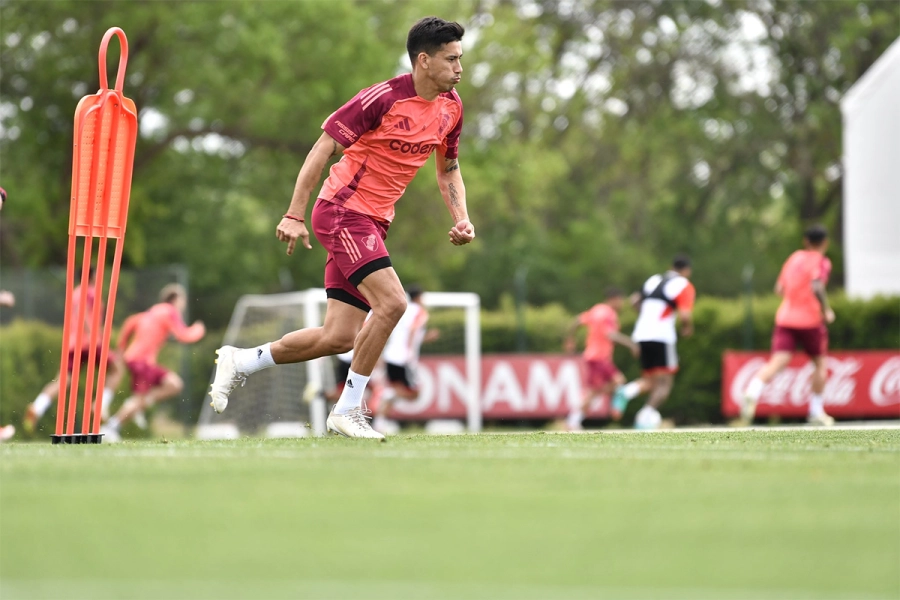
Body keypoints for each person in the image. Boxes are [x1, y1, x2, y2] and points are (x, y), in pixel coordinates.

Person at [208, 17, 474, 440]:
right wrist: (294, 214)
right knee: (393, 303)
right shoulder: (382, 98)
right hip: (342, 211)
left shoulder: (452, 108)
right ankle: (348, 410)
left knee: (339, 337)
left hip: (374, 222)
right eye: (451, 59)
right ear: (423, 60)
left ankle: (241, 361)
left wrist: (461, 217)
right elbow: (323, 148)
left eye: (461, 58)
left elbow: (449, 169)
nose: (459, 68)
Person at [739, 225, 836, 427]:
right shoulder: (821, 261)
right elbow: (817, 285)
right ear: (825, 243)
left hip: (785, 318)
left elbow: (779, 289)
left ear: (806, 241)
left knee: (777, 362)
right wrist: (826, 309)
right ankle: (816, 411)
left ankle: (752, 391)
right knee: (820, 364)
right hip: (810, 320)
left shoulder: (794, 258)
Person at [24, 266, 124, 433]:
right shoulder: (90, 291)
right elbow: (82, 312)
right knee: (116, 370)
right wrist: (93, 334)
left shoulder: (75, 292)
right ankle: (100, 405)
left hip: (73, 343)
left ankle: (37, 407)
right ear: (92, 276)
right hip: (89, 341)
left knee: (63, 380)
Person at [101, 284, 205, 441]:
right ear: (175, 299)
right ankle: (111, 427)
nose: (183, 305)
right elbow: (183, 335)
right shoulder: (170, 311)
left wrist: (121, 347)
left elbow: (130, 322)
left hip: (140, 361)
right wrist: (198, 330)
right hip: (141, 362)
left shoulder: (153, 311)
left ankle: (141, 403)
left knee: (174, 384)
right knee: (140, 399)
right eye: (183, 300)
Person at [610, 255, 695, 429]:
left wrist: (646, 316)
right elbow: (685, 315)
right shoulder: (684, 284)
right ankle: (645, 417)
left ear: (671, 266)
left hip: (641, 334)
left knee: (650, 381)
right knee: (665, 384)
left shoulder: (654, 279)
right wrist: (687, 328)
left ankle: (626, 391)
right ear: (687, 270)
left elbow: (633, 300)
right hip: (662, 336)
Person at [564, 287, 639, 431]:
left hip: (592, 356)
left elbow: (577, 321)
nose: (621, 304)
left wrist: (570, 339)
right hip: (600, 357)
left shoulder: (596, 309)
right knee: (618, 381)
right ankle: (616, 405)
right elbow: (610, 335)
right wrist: (631, 344)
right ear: (614, 299)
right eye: (620, 300)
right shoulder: (608, 314)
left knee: (596, 390)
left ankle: (573, 420)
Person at [372, 285, 440, 434]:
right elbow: (413, 330)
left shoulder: (404, 310)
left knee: (395, 391)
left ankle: (379, 424)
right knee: (415, 394)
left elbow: (405, 333)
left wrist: (426, 337)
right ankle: (386, 394)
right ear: (419, 297)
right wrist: (409, 351)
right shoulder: (420, 311)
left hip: (391, 355)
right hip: (403, 358)